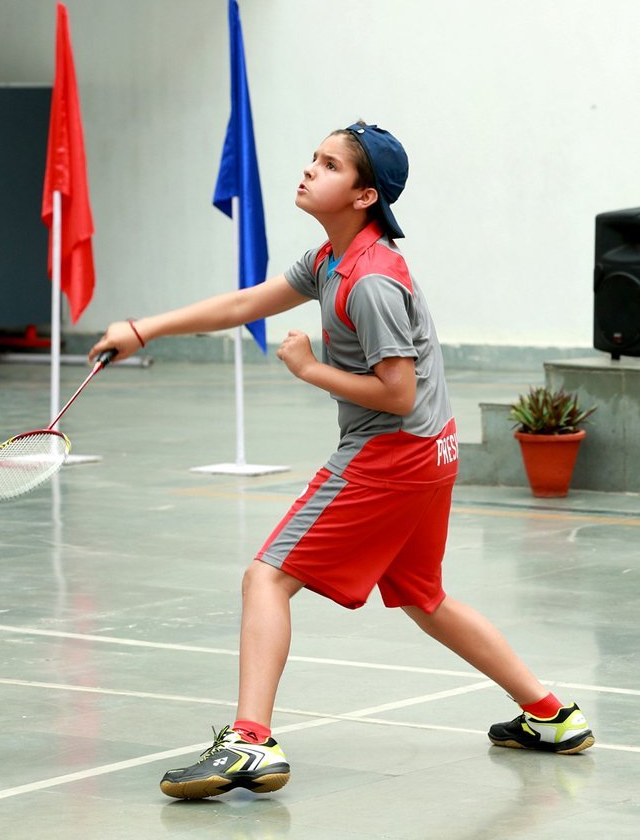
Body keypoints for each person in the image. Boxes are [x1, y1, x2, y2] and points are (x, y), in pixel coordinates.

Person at [90, 122, 595, 801]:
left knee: (266, 577)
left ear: (362, 195)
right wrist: (142, 328)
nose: (308, 171)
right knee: (422, 596)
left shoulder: (371, 282)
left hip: (390, 455)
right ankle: (550, 716)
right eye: (312, 159)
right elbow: (246, 303)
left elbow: (395, 392)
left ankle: (250, 742)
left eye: (327, 165)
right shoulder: (330, 260)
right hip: (428, 452)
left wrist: (308, 369)